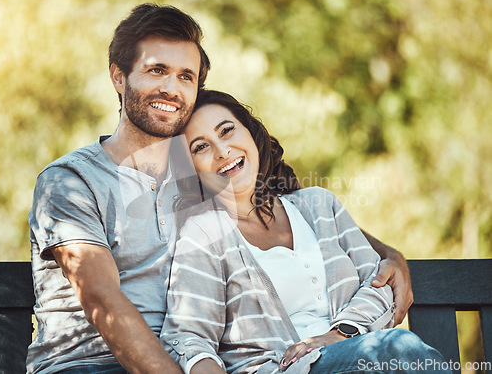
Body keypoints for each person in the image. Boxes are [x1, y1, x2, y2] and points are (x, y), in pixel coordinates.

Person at [28, 3, 411, 374]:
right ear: (118, 77)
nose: (171, 88)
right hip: (90, 365)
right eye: (156, 70)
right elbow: (102, 299)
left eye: (185, 76)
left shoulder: (205, 178)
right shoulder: (71, 182)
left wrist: (387, 255)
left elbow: (297, 212)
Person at [160, 89, 449, 374]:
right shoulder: (203, 236)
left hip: (358, 357)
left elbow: (379, 282)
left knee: (393, 350)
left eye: (227, 131)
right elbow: (189, 338)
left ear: (250, 133)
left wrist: (339, 334)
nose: (222, 151)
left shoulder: (319, 206)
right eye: (201, 147)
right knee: (398, 348)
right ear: (191, 170)